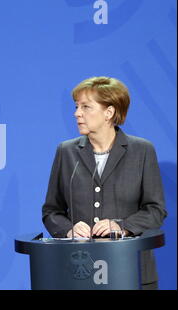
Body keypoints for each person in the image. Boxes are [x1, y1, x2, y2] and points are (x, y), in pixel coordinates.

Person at [42, 76, 167, 290]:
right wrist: (69, 230)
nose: (77, 113)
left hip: (130, 269)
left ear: (109, 113)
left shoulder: (142, 151)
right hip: (78, 272)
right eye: (76, 107)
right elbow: (52, 211)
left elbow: (156, 210)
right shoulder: (66, 151)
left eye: (86, 107)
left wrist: (123, 227)